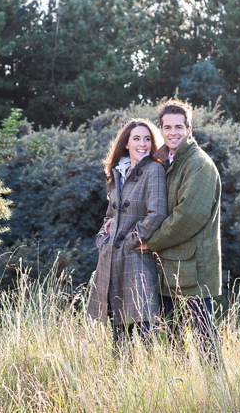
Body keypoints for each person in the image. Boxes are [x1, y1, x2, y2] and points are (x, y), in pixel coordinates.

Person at [138, 99, 222, 360]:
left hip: (193, 267)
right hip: (170, 265)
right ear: (160, 130)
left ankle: (218, 391)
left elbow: (188, 217)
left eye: (178, 127)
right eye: (167, 127)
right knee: (172, 336)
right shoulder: (164, 161)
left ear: (189, 129)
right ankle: (181, 391)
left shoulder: (198, 164)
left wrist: (151, 242)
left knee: (203, 336)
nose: (173, 132)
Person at [86, 118, 168, 344]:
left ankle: (149, 377)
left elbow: (157, 213)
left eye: (147, 139)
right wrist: (103, 238)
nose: (142, 144)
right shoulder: (117, 173)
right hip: (111, 257)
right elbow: (110, 214)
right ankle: (121, 377)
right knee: (119, 333)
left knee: (144, 328)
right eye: (136, 139)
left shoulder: (154, 170)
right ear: (126, 143)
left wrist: (131, 241)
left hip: (137, 258)